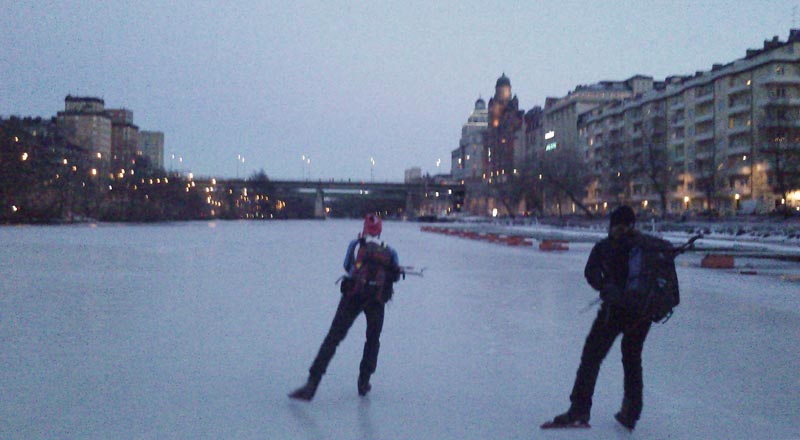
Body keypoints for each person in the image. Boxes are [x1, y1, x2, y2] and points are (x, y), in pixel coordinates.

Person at [543, 205, 650, 431]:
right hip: (642, 313)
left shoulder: (606, 246)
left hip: (614, 312)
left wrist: (605, 287)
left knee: (591, 357)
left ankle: (579, 410)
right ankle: (631, 413)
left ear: (612, 225)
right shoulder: (645, 246)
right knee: (632, 359)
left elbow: (590, 274)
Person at [289, 213, 401, 401]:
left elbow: (347, 266)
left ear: (364, 229)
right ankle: (363, 382)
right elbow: (395, 276)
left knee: (333, 338)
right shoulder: (390, 251)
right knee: (372, 340)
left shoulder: (356, 245)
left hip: (353, 296)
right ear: (380, 231)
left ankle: (312, 383)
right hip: (376, 300)